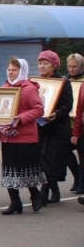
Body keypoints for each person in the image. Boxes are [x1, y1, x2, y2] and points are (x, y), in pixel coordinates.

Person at [0, 57, 46, 215]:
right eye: (9, 69)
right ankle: (15, 202)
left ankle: (35, 195)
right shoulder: (4, 88)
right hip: (8, 137)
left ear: (22, 71)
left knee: (27, 168)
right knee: (9, 170)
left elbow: (38, 109)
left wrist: (21, 118)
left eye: (14, 70)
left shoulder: (29, 88)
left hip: (25, 137)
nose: (11, 73)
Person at [37, 51, 73, 206]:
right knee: (43, 159)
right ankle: (54, 190)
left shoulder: (63, 82)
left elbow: (67, 104)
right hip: (41, 126)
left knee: (52, 160)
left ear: (54, 65)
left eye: (46, 63)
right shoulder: (36, 82)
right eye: (40, 63)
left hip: (58, 127)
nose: (42, 66)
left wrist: (56, 113)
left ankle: (44, 192)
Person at [65, 53, 84, 193]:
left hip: (79, 122)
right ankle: (77, 176)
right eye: (69, 66)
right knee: (66, 151)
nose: (72, 69)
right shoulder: (64, 81)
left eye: (75, 66)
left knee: (81, 152)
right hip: (66, 122)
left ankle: (81, 181)